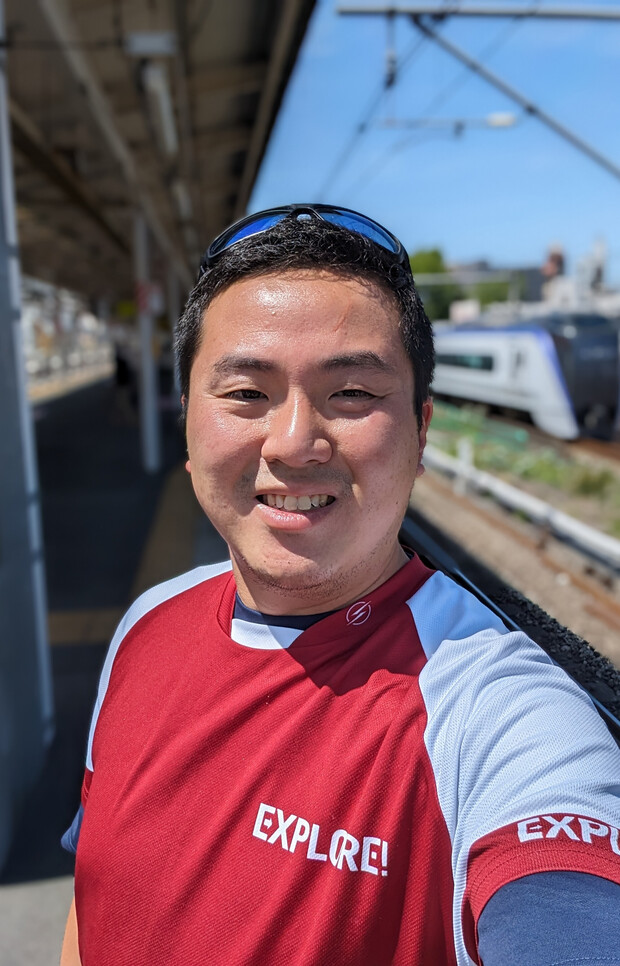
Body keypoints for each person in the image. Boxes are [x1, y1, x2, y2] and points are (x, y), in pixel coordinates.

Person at [61, 204, 620, 966]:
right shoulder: (146, 624)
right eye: (246, 394)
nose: (294, 443)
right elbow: (93, 896)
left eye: (352, 393)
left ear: (422, 432)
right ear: (188, 425)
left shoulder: (494, 712)